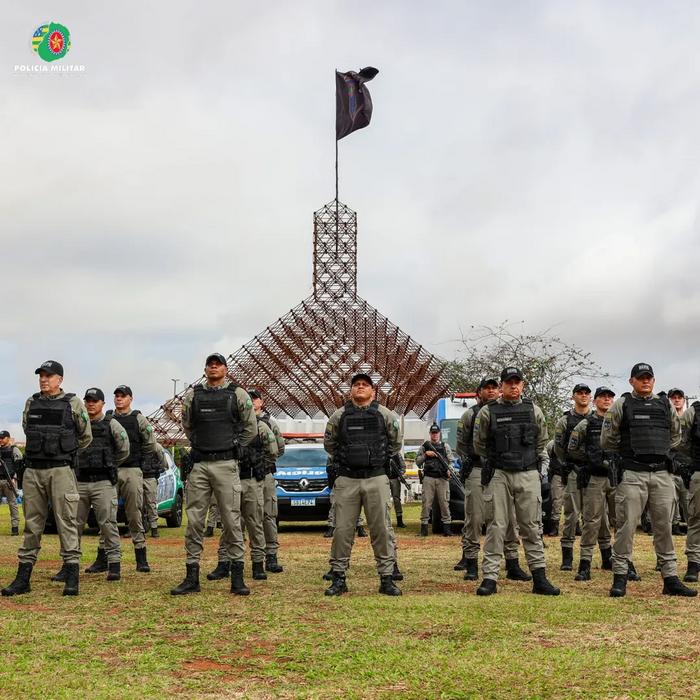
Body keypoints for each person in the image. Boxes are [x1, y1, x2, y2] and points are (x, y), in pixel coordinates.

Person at [603, 363, 696, 597]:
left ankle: (670, 579)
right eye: (640, 377)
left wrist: (660, 452)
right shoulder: (621, 404)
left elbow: (676, 435)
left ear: (653, 381)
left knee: (664, 526)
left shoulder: (665, 404)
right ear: (631, 381)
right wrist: (629, 455)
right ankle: (620, 577)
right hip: (632, 473)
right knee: (626, 527)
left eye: (649, 378)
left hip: (662, 474)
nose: (645, 381)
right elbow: (607, 439)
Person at [2, 361, 92, 597]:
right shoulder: (31, 402)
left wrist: (65, 452)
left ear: (59, 379)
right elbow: (27, 427)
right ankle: (23, 579)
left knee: (67, 522)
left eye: (48, 376)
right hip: (33, 471)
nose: (43, 379)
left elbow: (85, 436)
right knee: (32, 525)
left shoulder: (73, 403)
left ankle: (71, 577)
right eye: (41, 376)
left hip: (61, 470)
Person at [170, 353, 257, 596]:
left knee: (231, 520)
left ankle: (237, 577)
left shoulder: (238, 394)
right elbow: (188, 426)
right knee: (195, 521)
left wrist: (234, 447)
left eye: (218, 364)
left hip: (226, 464)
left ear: (226, 369)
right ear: (205, 369)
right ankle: (191, 576)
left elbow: (250, 428)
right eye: (210, 364)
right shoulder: (194, 395)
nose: (214, 367)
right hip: (200, 465)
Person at [473, 367, 559, 596]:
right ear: (501, 385)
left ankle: (539, 578)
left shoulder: (534, 410)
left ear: (522, 385)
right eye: (509, 382)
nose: (513, 386)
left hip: (527, 473)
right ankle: (490, 578)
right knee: (496, 526)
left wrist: (531, 465)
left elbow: (542, 441)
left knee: (532, 526)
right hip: (499, 474)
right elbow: (479, 444)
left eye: (517, 382)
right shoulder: (488, 412)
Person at [323, 372, 403, 596]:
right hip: (347, 479)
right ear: (350, 391)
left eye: (365, 385)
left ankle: (386, 578)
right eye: (356, 384)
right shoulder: (339, 416)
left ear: (373, 392)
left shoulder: (385, 414)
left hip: (375, 478)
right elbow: (329, 444)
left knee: (381, 529)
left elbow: (395, 443)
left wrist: (376, 459)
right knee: (342, 530)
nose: (360, 387)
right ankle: (338, 578)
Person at [454, 378, 529, 583]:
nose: (491, 391)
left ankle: (512, 563)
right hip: (478, 469)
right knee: (475, 517)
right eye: (486, 388)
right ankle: (471, 562)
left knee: (509, 519)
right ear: (479, 392)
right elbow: (461, 444)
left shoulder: (508, 411)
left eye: (494, 387)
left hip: (502, 470)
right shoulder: (470, 415)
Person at [52, 388, 129, 582]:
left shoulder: (112, 424)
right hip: (78, 482)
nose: (91, 404)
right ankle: (69, 566)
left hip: (103, 482)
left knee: (108, 524)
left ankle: (114, 564)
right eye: (88, 401)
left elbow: (124, 450)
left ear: (103, 403)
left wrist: (109, 464)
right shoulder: (77, 424)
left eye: (95, 401)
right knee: (72, 525)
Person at [93, 385, 165, 575]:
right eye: (116, 396)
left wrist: (139, 460)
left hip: (132, 470)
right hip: (111, 471)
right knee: (107, 515)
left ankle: (141, 557)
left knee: (134, 514)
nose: (119, 399)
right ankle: (102, 558)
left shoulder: (138, 418)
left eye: (123, 396)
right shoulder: (108, 418)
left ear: (130, 399)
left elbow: (150, 443)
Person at [206, 396, 278, 583]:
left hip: (252, 480)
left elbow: (273, 452)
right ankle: (224, 563)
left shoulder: (261, 427)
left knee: (255, 522)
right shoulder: (229, 428)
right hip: (230, 480)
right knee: (229, 523)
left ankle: (258, 564)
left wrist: (259, 468)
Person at [566, 387, 617, 581]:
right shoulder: (586, 424)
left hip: (616, 478)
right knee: (591, 521)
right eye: (602, 397)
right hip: (594, 478)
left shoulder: (619, 422)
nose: (607, 400)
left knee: (620, 521)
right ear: (595, 401)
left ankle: (624, 562)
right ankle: (585, 564)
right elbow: (572, 448)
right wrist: (590, 459)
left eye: (610, 397)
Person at [554, 384, 593, 571]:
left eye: (586, 393)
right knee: (571, 515)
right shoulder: (565, 420)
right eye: (580, 393)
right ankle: (567, 557)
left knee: (594, 517)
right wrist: (568, 464)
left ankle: (600, 555)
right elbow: (558, 448)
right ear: (573, 397)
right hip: (574, 471)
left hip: (594, 472)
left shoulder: (597, 418)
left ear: (590, 397)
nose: (583, 396)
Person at [251, 389, 286, 573]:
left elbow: (279, 448)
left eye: (255, 398)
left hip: (264, 475)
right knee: (237, 518)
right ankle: (230, 560)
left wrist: (262, 463)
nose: (252, 401)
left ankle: (271, 556)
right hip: (243, 476)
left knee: (268, 515)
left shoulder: (269, 423)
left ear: (261, 402)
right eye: (249, 398)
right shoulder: (237, 422)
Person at [416, 424, 454, 537]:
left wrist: (450, 470)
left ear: (439, 433)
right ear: (430, 434)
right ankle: (424, 529)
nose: (435, 435)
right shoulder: (425, 447)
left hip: (442, 478)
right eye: (433, 433)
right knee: (426, 503)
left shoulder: (445, 446)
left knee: (444, 503)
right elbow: (418, 462)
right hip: (429, 478)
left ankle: (447, 529)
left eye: (436, 433)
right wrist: (425, 455)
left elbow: (451, 461)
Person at [679, 399, 700, 582]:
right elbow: (680, 442)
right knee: (696, 520)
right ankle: (693, 564)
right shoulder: (693, 412)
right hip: (699, 472)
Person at [668, 388, 689, 535]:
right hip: (671, 468)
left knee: (689, 501)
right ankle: (674, 526)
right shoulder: (666, 420)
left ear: (683, 400)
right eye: (673, 398)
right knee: (672, 501)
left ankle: (692, 527)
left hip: (688, 467)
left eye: (679, 397)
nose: (676, 400)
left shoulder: (691, 419)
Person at [0, 431, 23, 536]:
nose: (0, 439)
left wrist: (15, 478)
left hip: (9, 480)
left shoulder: (14, 449)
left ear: (8, 438)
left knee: (12, 504)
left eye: (2, 438)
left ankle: (15, 528)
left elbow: (19, 466)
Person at [142, 444, 167, 538]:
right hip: (137, 476)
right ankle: (135, 528)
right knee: (135, 504)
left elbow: (164, 463)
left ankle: (154, 528)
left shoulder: (156, 446)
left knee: (151, 503)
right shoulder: (136, 444)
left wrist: (158, 469)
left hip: (150, 477)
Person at [389, 450, 407, 528]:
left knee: (396, 499)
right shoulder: (382, 453)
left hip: (395, 479)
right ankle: (385, 521)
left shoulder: (396, 454)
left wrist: (400, 474)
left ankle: (399, 521)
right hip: (384, 479)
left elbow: (403, 466)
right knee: (383, 500)